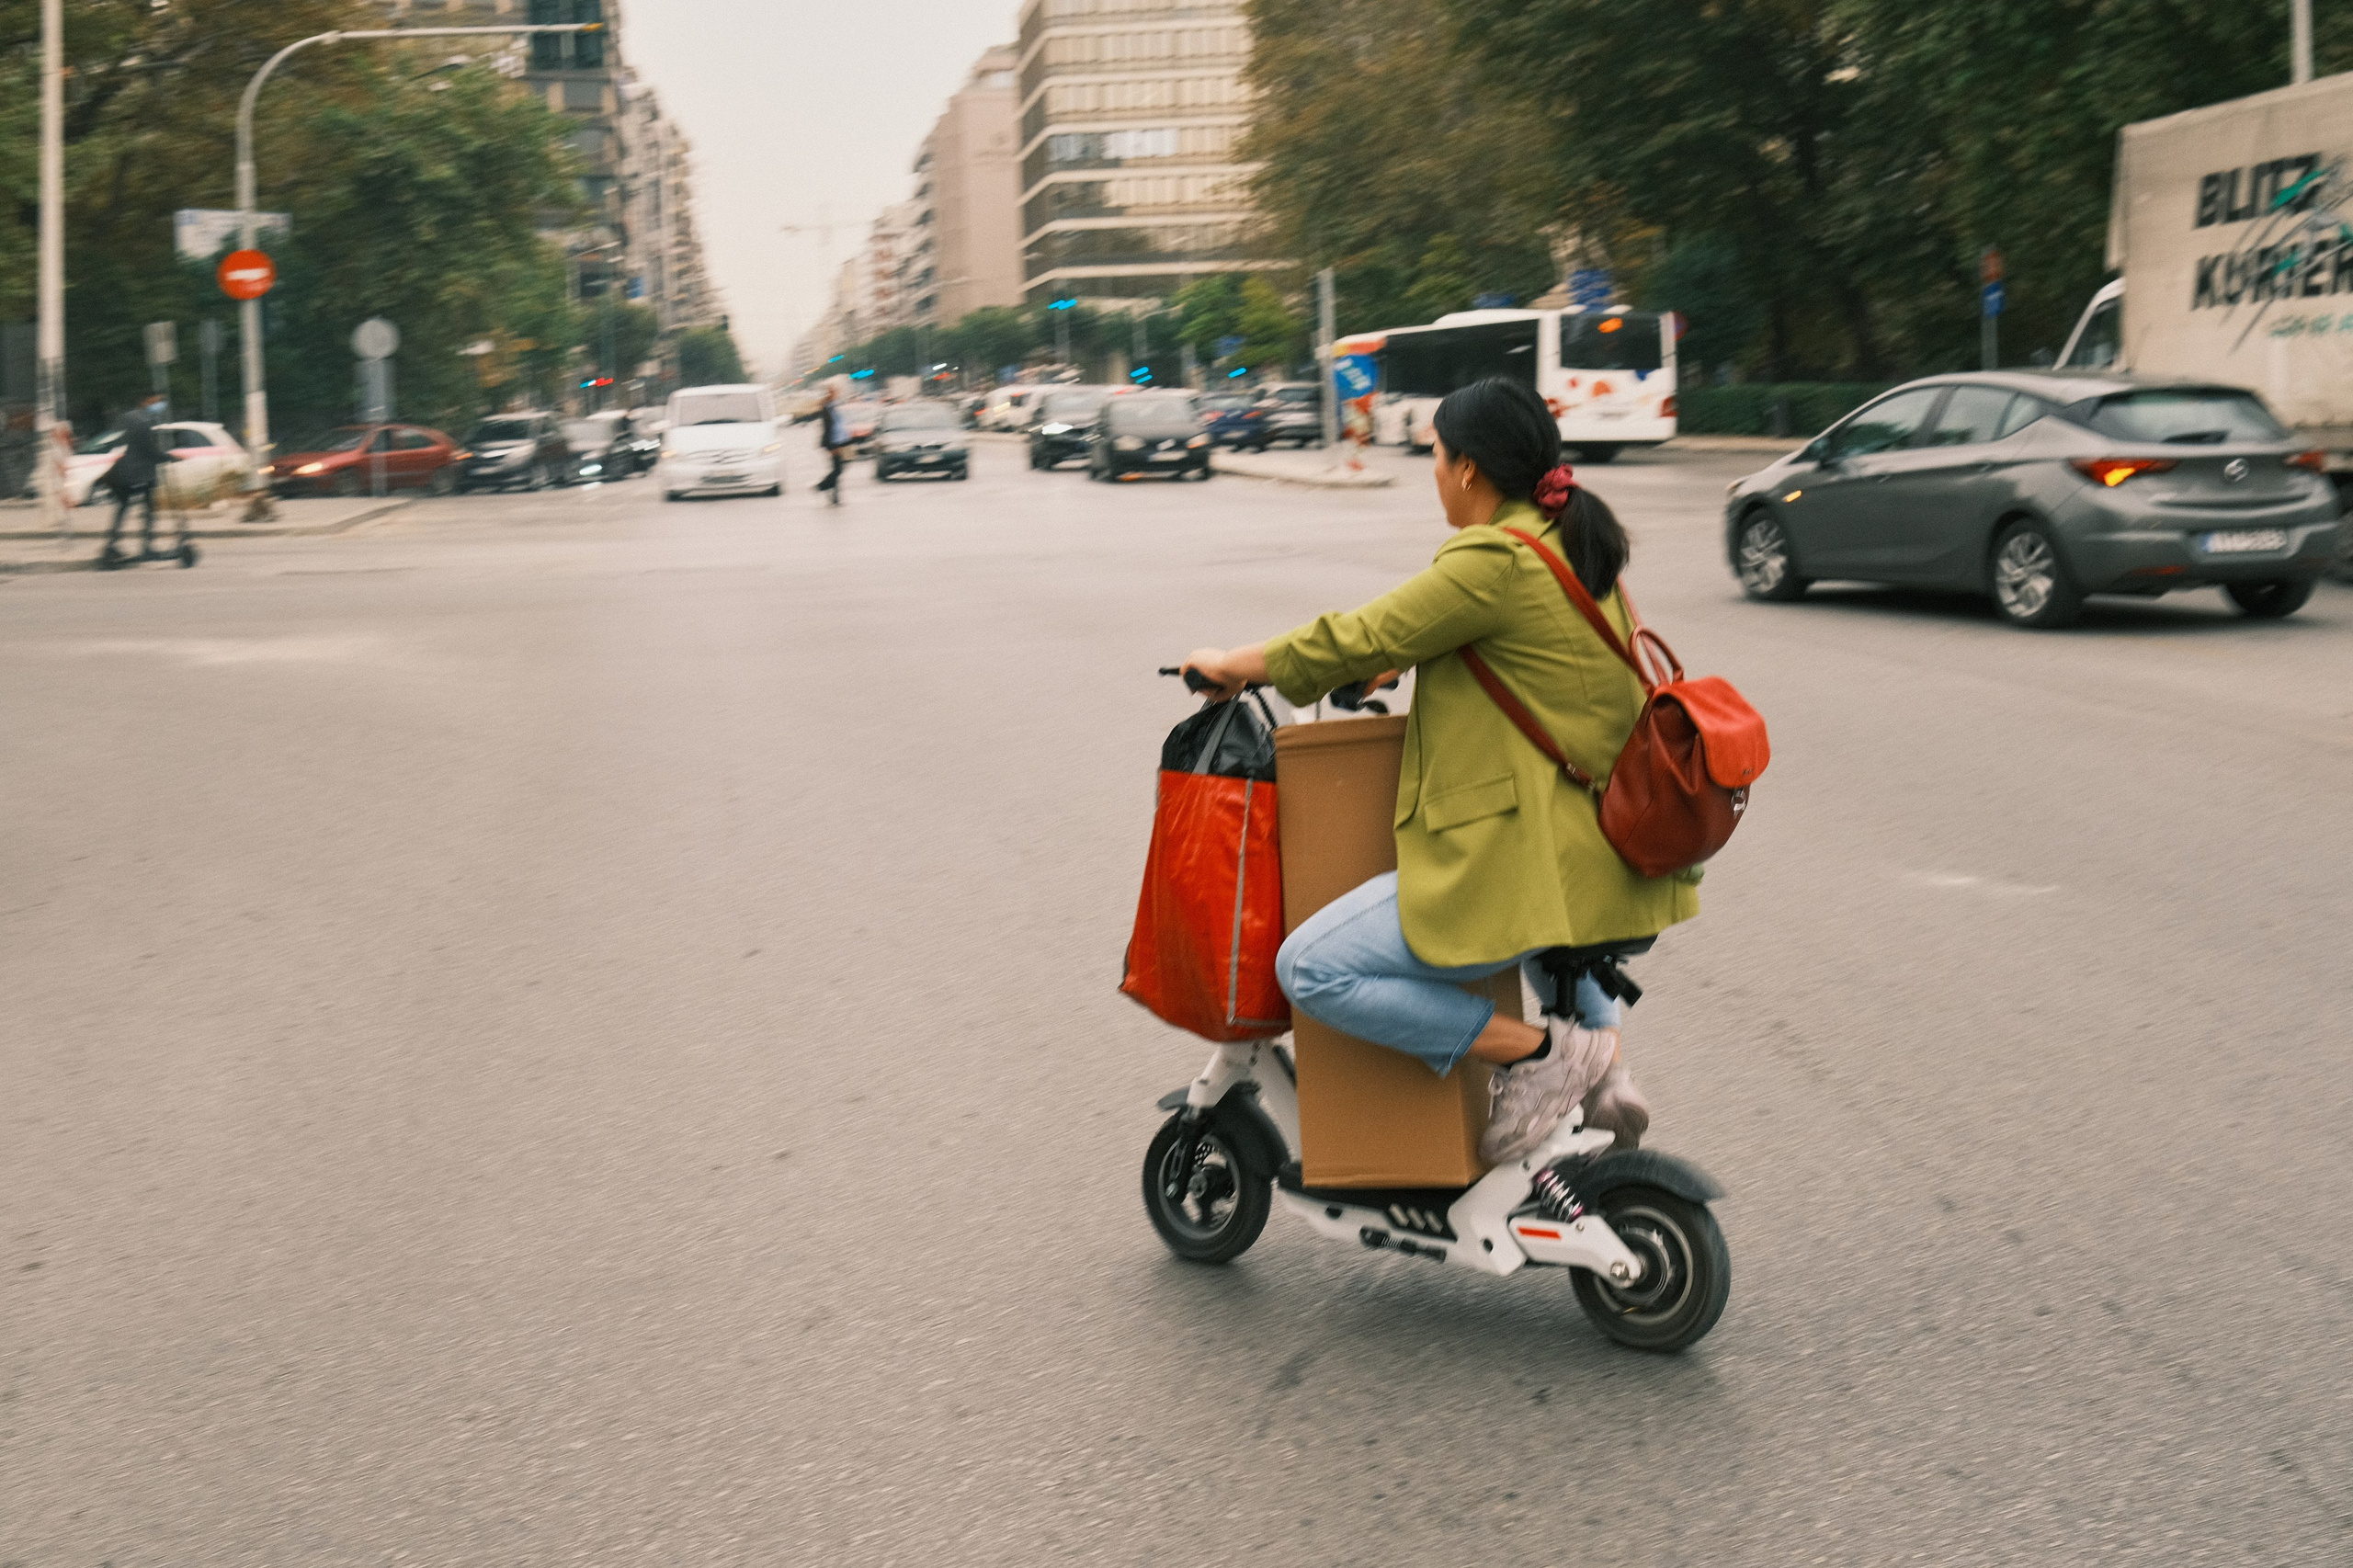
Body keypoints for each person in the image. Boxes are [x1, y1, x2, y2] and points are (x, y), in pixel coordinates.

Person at [1181, 376, 1699, 1164]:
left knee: (1310, 967)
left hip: (1527, 866)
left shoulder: (1495, 559)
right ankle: (1608, 1069)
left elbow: (1352, 638)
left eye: (1435, 455)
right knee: (1551, 933)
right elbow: (1531, 663)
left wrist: (1230, 663)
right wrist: (1405, 669)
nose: (1432, 472)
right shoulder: (1575, 547)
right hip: (1613, 863)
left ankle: (1541, 1057)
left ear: (1468, 470)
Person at [101, 391, 176, 565]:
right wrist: (170, 457)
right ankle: (147, 547)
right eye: (156, 402)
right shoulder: (144, 421)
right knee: (149, 509)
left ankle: (110, 545)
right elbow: (149, 451)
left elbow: (115, 441)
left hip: (122, 472)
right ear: (146, 401)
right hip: (141, 474)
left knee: (123, 508)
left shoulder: (126, 418)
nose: (158, 405)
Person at [813, 386, 849, 506]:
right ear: (830, 394)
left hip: (839, 441)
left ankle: (832, 495)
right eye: (835, 392)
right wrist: (832, 446)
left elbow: (840, 424)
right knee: (838, 469)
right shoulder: (826, 407)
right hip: (833, 442)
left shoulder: (833, 406)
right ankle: (822, 486)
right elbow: (828, 428)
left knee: (837, 469)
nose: (837, 394)